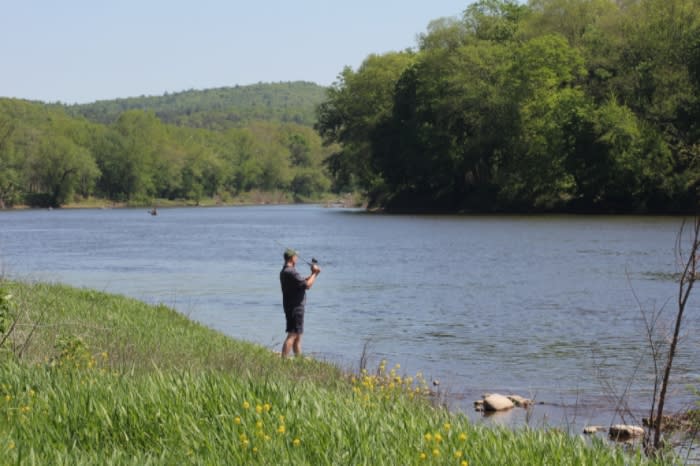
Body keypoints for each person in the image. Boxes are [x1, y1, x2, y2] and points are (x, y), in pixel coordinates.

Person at [279, 248, 320, 358]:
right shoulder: (291, 272)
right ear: (292, 258)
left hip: (292, 307)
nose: (297, 258)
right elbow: (307, 286)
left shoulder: (285, 271)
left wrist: (312, 274)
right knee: (292, 335)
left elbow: (302, 282)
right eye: (296, 256)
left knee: (297, 336)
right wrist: (315, 274)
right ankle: (283, 361)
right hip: (295, 308)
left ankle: (299, 360)